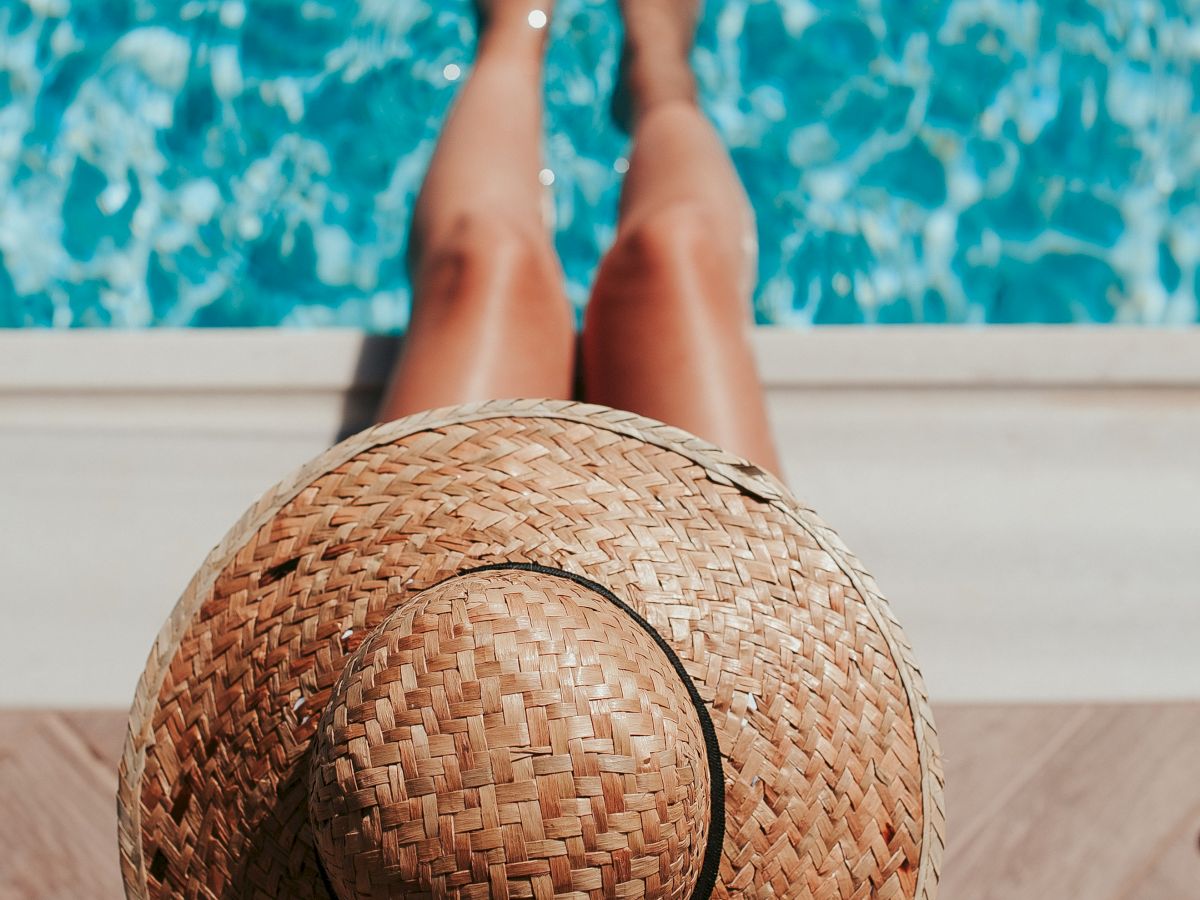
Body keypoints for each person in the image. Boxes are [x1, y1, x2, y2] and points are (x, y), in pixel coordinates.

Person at [377, 0, 782, 476]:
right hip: (709, 549)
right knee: (675, 247)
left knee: (483, 255)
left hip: (446, 545)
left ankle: (515, 35)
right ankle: (659, 75)